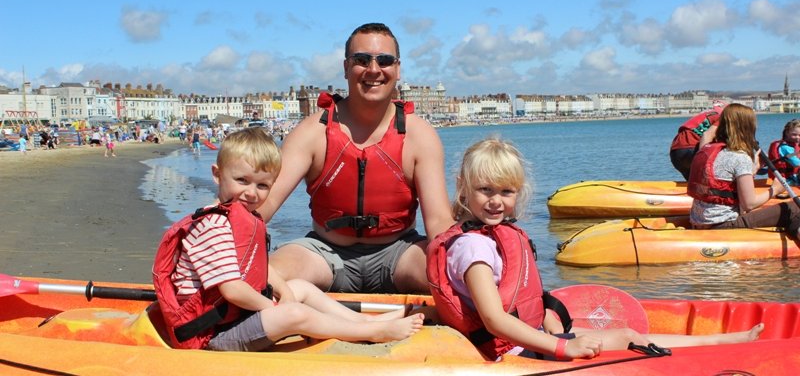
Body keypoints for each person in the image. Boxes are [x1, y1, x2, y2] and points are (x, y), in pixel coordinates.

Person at [428, 137, 765, 361]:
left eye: (505, 191)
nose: (495, 201)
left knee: (628, 333)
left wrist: (546, 316)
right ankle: (720, 347)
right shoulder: (473, 248)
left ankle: (723, 341)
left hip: (528, 337)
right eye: (485, 189)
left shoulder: (491, 237)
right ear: (463, 187)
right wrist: (564, 346)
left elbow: (513, 298)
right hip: (510, 353)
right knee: (628, 339)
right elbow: (494, 319)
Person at [152, 127, 424, 351]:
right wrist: (274, 306)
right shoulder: (212, 226)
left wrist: (285, 291)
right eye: (241, 180)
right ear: (217, 174)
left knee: (299, 287)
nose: (251, 193)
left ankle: (361, 321)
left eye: (262, 185)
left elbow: (257, 267)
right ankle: (372, 332)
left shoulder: (238, 219)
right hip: (210, 336)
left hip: (232, 318)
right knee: (295, 313)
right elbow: (233, 290)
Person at [257, 22, 452, 294]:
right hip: (324, 253)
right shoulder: (312, 133)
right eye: (361, 60)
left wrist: (465, 260)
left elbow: (439, 221)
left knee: (451, 279)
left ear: (397, 69)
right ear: (346, 67)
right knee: (262, 278)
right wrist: (219, 226)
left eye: (384, 60)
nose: (373, 70)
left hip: (400, 254)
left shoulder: (419, 135)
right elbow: (264, 203)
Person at [688, 104, 800, 236]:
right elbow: (749, 204)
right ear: (748, 127)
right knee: (792, 208)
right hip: (723, 225)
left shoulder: (707, 149)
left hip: (698, 220)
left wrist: (752, 171)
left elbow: (728, 181)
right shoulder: (740, 157)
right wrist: (775, 190)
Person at [669, 100, 727, 180]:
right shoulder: (722, 116)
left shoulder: (706, 114)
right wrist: (703, 160)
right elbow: (707, 135)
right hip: (692, 149)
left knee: (694, 183)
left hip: (675, 151)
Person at [767, 119, 800, 186]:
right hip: (787, 180)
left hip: (790, 177)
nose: (797, 137)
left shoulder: (792, 145)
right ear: (787, 132)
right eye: (794, 134)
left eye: (799, 135)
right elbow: (797, 163)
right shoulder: (785, 148)